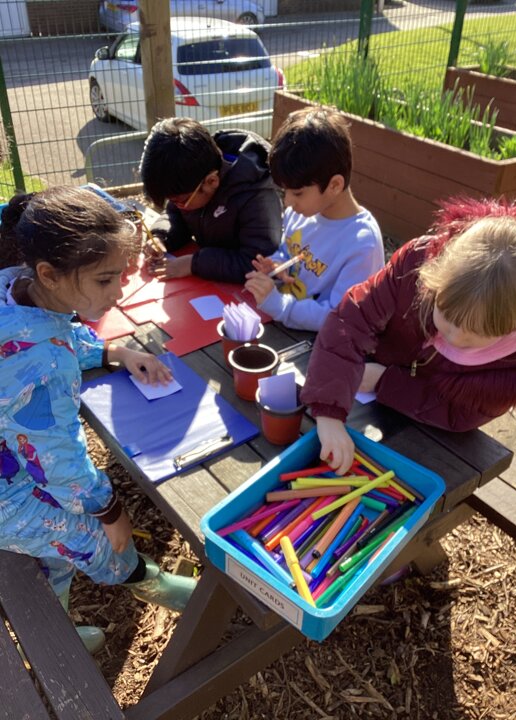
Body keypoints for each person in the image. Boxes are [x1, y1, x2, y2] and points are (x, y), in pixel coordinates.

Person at [0, 187, 197, 653]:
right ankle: (147, 582)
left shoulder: (14, 286)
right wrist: (111, 512)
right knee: (100, 541)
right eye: (106, 280)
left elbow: (56, 330)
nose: (119, 291)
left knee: (56, 558)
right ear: (49, 274)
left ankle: (57, 630)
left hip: (12, 463)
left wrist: (115, 352)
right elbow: (60, 463)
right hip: (10, 491)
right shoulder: (46, 366)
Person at [300, 196, 516, 474]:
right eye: (446, 315)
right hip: (365, 387)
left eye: (475, 333)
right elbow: (350, 321)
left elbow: (461, 413)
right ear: (434, 278)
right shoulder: (414, 268)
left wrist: (386, 382)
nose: (455, 336)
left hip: (427, 431)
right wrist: (328, 412)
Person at [244, 107, 384, 331]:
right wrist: (277, 266)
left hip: (319, 343)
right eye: (285, 192)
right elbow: (289, 253)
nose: (288, 202)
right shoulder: (302, 212)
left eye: (297, 193)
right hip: (285, 327)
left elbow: (341, 317)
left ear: (334, 185)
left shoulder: (362, 244)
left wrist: (279, 305)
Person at [139, 117, 282, 284]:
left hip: (247, 292)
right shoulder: (190, 178)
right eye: (171, 200)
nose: (177, 205)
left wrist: (194, 264)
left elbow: (259, 263)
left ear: (211, 181)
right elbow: (175, 214)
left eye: (180, 201)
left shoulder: (256, 195)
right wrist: (161, 236)